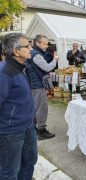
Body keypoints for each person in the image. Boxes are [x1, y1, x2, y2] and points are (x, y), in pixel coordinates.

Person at [0, 33, 38, 179]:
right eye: (27, 46)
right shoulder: (4, 72)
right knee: (9, 172)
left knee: (29, 162)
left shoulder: (22, 68)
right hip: (10, 132)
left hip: (28, 126)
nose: (31, 48)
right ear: (16, 51)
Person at [26, 34, 58, 140]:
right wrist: (55, 60)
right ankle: (41, 130)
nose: (46, 46)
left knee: (36, 108)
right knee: (41, 108)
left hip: (33, 84)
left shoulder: (32, 53)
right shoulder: (36, 54)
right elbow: (47, 67)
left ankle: (35, 129)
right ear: (37, 43)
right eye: (44, 43)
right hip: (37, 85)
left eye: (47, 43)